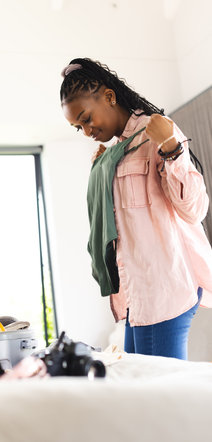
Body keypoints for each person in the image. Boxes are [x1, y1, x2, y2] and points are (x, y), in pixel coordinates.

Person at [60, 57, 212, 360]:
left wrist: (171, 147)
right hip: (138, 294)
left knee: (159, 396)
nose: (87, 131)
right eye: (79, 127)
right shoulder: (116, 152)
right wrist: (105, 172)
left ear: (109, 97)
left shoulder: (155, 132)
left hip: (162, 288)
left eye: (87, 118)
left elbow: (195, 210)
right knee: (142, 386)